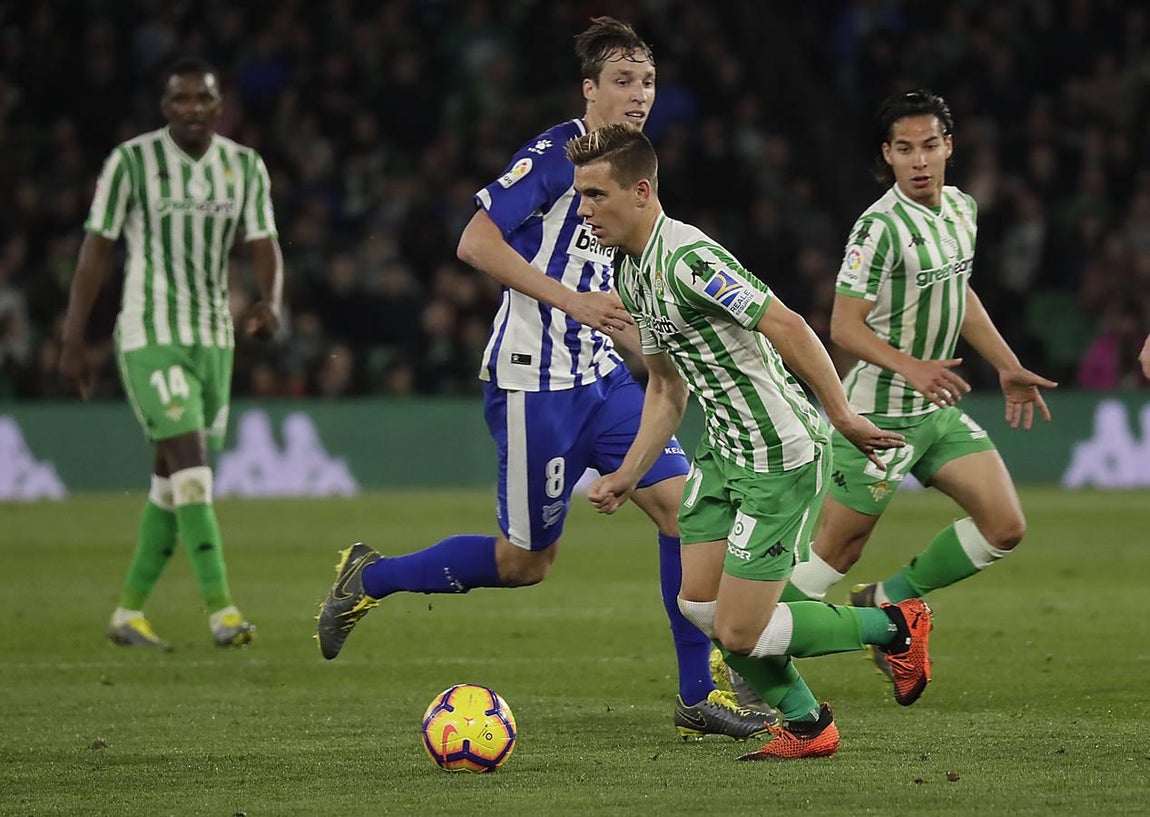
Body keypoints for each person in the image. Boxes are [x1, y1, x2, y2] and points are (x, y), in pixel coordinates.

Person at [317, 18, 772, 740]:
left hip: (601, 375)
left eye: (648, 81)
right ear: (589, 90)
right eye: (623, 81)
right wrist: (576, 301)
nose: (639, 94)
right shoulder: (556, 154)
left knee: (683, 513)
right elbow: (474, 240)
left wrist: (630, 319)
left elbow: (609, 258)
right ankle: (369, 577)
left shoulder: (631, 161)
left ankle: (698, 692)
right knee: (526, 562)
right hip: (536, 381)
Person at [567, 122, 933, 760]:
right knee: (699, 607)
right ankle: (809, 725)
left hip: (776, 453)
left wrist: (841, 413)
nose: (584, 209)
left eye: (596, 195)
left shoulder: (688, 260)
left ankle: (895, 626)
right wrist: (629, 473)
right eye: (581, 195)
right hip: (721, 450)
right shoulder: (628, 272)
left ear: (641, 192)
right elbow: (664, 388)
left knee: (739, 631)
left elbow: (786, 323)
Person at [784, 90, 1057, 679]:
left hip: (935, 410)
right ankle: (749, 653)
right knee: (832, 555)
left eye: (930, 146)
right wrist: (911, 366)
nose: (919, 160)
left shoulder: (961, 209)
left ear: (948, 146)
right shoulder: (876, 228)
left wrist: (1006, 364)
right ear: (888, 154)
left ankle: (888, 600)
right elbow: (843, 327)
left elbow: (958, 296)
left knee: (1004, 526)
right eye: (904, 149)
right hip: (877, 418)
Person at [61, 57, 283, 649]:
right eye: (179, 100)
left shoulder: (243, 167)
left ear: (218, 105)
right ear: (165, 107)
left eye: (201, 99)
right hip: (149, 331)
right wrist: (72, 336)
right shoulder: (131, 161)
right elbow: (97, 250)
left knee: (169, 480)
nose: (191, 109)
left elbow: (264, 241)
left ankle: (127, 613)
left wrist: (270, 300)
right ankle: (222, 612)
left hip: (214, 336)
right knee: (191, 465)